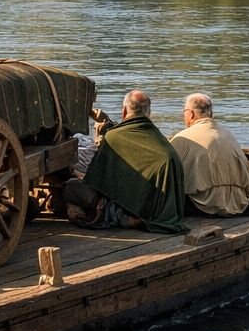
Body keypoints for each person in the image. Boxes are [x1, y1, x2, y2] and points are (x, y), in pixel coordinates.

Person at [63, 89, 187, 234]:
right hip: (160, 210)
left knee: (70, 187)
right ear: (149, 113)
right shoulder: (160, 141)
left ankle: (119, 215)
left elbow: (97, 180)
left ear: (124, 111)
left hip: (126, 207)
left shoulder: (113, 137)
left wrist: (77, 172)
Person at [170, 92, 249, 217]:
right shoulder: (228, 134)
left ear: (191, 114)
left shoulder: (182, 138)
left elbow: (169, 172)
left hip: (204, 205)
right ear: (211, 113)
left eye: (184, 112)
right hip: (239, 202)